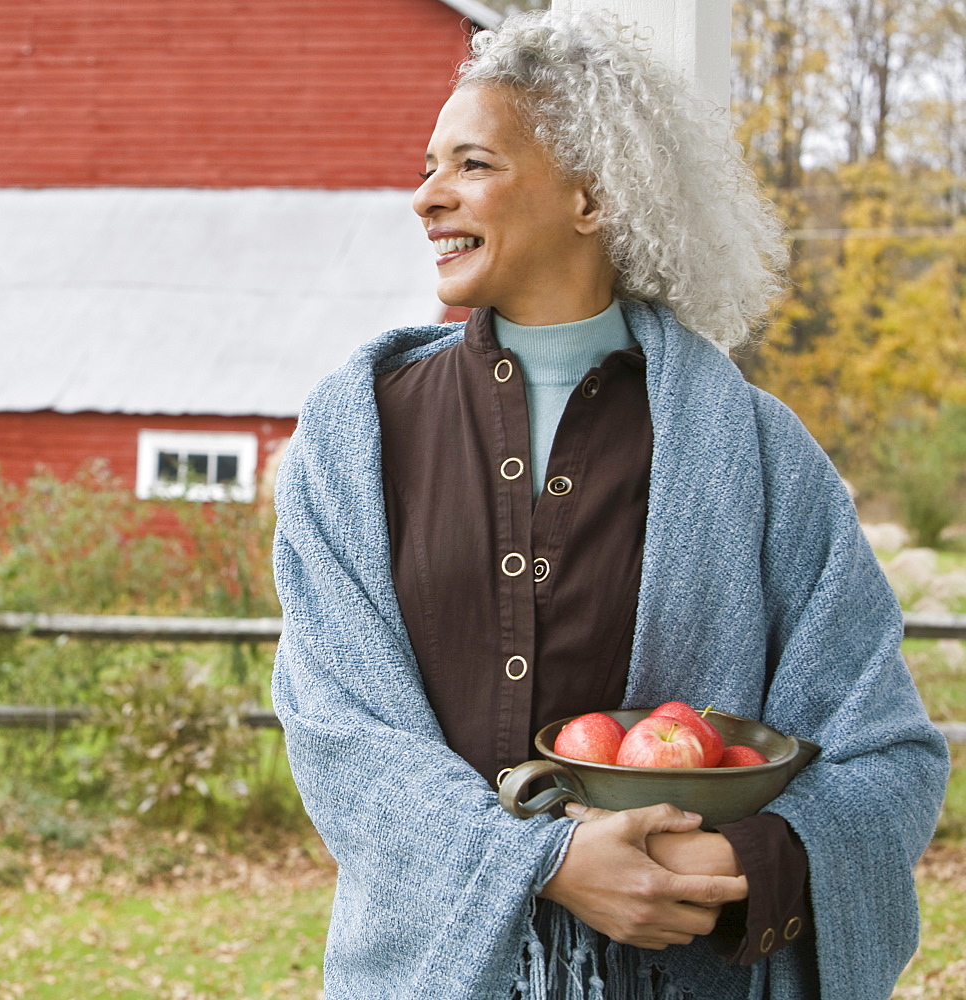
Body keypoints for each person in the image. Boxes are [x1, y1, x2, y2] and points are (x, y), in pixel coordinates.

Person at [271, 11, 949, 1000]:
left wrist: (748, 864)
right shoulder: (358, 432)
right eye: (427, 165)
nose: (426, 196)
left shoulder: (762, 455)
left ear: (591, 195)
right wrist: (540, 863)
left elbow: (881, 750)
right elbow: (336, 726)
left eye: (473, 163)